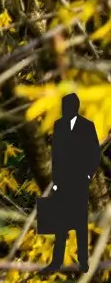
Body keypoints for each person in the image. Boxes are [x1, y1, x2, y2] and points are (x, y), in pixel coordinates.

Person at [40, 93, 102, 273]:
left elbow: (94, 154)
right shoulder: (58, 125)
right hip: (62, 181)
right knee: (60, 223)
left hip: (80, 181)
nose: (63, 110)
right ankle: (56, 261)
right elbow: (56, 154)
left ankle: (84, 262)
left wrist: (88, 176)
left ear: (74, 107)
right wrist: (56, 180)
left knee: (81, 223)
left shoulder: (86, 126)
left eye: (66, 107)